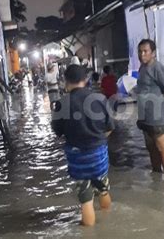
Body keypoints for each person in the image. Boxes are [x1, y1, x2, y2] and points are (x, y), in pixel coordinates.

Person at [51, 65, 114, 226]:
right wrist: (99, 141)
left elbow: (58, 131)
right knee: (103, 188)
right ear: (85, 80)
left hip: (77, 156)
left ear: (66, 82)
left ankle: (89, 232)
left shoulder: (62, 103)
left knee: (86, 200)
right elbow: (110, 127)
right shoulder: (99, 99)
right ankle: (110, 222)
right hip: (98, 154)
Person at [135, 39, 164, 175]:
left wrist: (158, 104)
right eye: (140, 52)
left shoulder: (157, 68)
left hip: (157, 118)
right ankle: (157, 177)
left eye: (145, 51)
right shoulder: (142, 68)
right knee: (151, 148)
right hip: (145, 117)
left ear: (153, 53)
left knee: (162, 147)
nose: (142, 55)